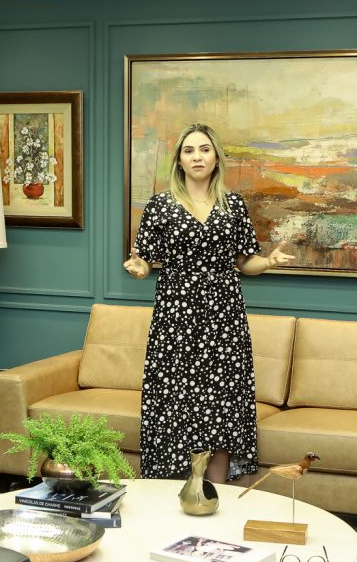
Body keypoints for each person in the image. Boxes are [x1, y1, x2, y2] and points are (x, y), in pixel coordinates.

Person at [123, 123, 295, 484]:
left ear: (216, 157)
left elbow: (246, 262)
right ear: (179, 160)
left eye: (204, 149)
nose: (197, 157)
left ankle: (216, 494)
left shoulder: (233, 204)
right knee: (176, 401)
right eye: (189, 151)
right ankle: (177, 492)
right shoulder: (160, 205)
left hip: (224, 317)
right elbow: (146, 261)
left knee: (221, 404)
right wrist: (140, 269)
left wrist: (268, 262)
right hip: (175, 317)